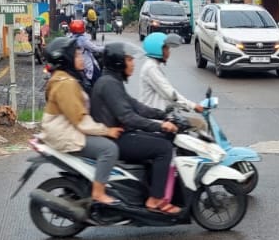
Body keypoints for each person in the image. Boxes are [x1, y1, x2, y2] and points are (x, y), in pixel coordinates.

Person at [91, 42, 181, 214]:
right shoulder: (109, 84)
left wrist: (163, 115)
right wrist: (160, 125)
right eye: (129, 60)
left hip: (120, 134)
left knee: (164, 140)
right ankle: (155, 199)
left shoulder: (112, 81)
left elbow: (137, 106)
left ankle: (149, 189)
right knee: (164, 148)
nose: (133, 64)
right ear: (119, 62)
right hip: (115, 138)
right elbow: (128, 117)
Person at [40, 36, 123, 206]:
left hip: (66, 129)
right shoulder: (66, 84)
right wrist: (107, 130)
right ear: (67, 59)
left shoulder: (64, 78)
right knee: (109, 149)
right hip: (65, 134)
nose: (82, 59)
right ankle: (99, 193)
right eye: (77, 55)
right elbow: (80, 121)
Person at [137, 32, 206, 131]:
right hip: (155, 119)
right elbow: (170, 94)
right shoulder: (151, 68)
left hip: (161, 115)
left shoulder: (153, 66)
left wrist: (183, 106)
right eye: (166, 49)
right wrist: (193, 106)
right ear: (158, 49)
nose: (168, 52)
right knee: (200, 125)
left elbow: (168, 95)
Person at [69, 18, 103, 90]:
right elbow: (95, 48)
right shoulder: (82, 39)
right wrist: (106, 48)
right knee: (98, 79)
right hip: (85, 63)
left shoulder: (70, 38)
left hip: (75, 63)